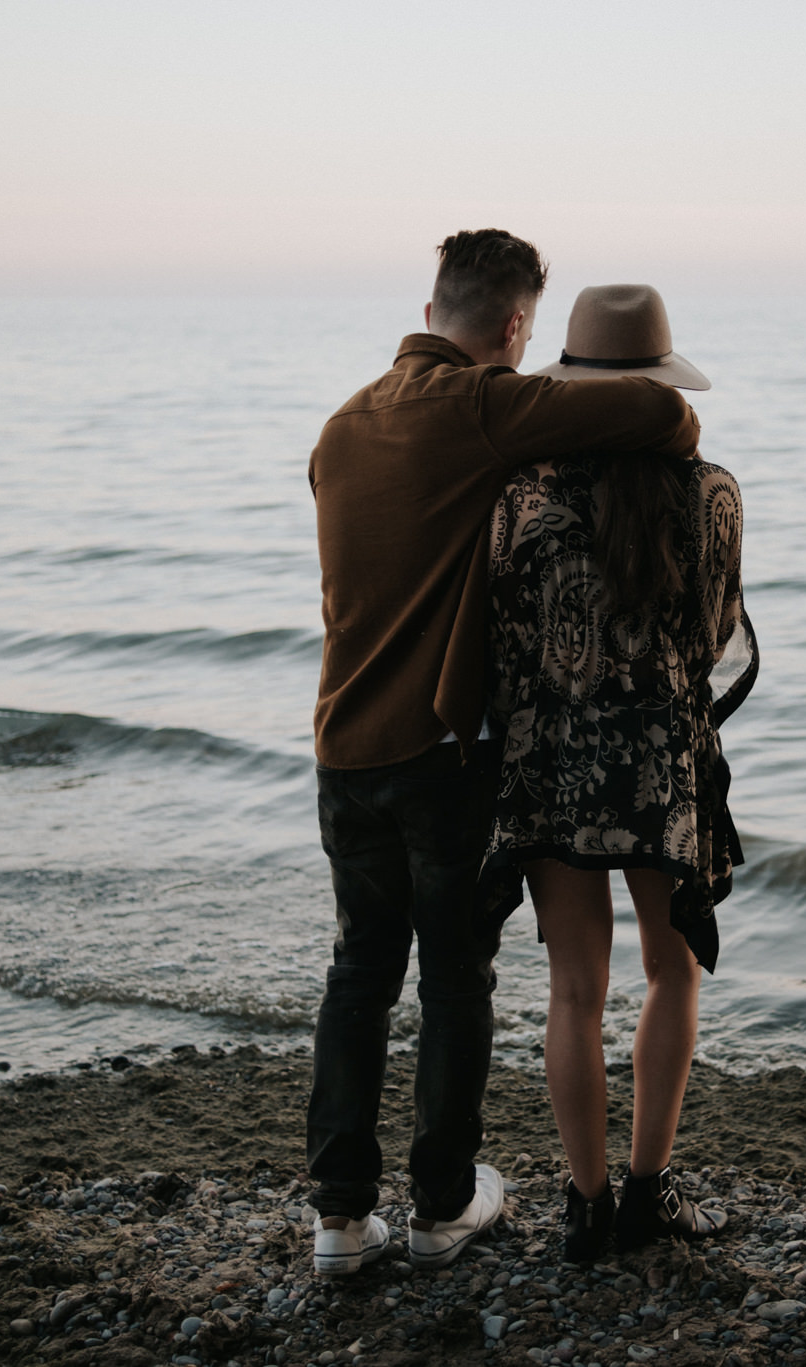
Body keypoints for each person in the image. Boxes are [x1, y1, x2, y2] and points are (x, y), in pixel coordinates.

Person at [305, 234, 703, 1277]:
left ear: (431, 301)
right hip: (436, 755)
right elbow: (659, 415)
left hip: (340, 743)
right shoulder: (480, 408)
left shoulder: (341, 425)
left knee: (356, 975)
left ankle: (339, 1218)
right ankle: (440, 1204)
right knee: (452, 978)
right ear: (517, 327)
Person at [480, 284, 757, 1262]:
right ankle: (646, 1193)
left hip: (552, 763)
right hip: (663, 764)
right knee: (668, 969)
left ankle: (586, 1207)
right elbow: (716, 629)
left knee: (572, 989)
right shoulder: (712, 491)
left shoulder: (523, 494)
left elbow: (503, 637)